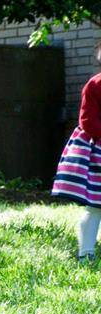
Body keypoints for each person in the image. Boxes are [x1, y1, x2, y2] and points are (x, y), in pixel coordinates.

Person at [52, 41, 101, 263]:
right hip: (98, 154)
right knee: (95, 207)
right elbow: (87, 121)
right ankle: (86, 253)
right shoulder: (95, 85)